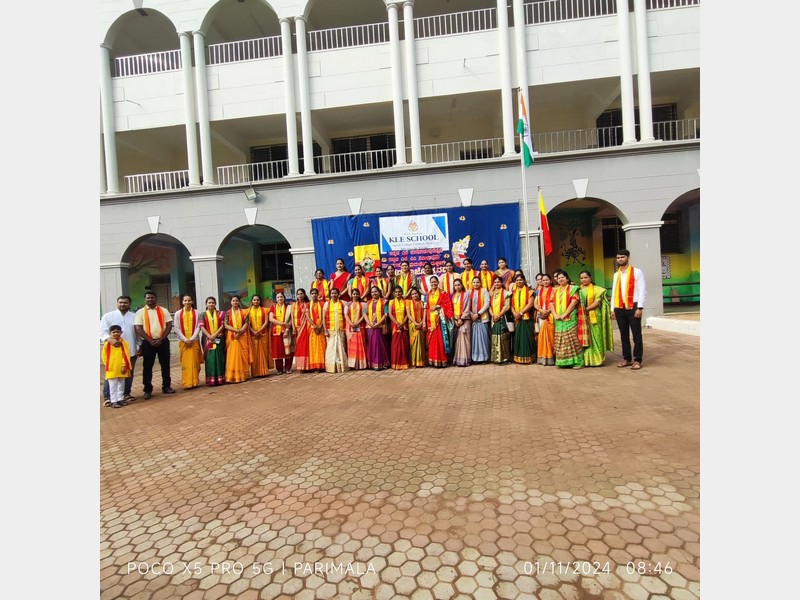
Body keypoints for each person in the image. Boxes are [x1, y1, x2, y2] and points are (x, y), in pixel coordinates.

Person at [134, 290, 175, 400]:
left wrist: (162, 339)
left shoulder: (164, 310)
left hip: (163, 341)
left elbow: (169, 325)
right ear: (145, 299)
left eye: (152, 297)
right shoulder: (140, 312)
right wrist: (150, 340)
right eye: (148, 298)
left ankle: (166, 386)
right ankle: (147, 390)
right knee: (147, 366)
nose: (150, 299)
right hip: (148, 343)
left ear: (156, 298)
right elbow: (138, 328)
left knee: (165, 365)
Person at [99, 295, 139, 405]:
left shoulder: (134, 316)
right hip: (113, 352)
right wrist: (109, 340)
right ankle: (108, 397)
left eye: (125, 302)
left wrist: (140, 346)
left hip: (129, 350)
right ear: (117, 303)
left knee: (128, 373)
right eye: (120, 302)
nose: (123, 304)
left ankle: (125, 394)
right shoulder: (108, 316)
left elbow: (138, 332)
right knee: (112, 375)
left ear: (129, 304)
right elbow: (102, 331)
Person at [611, 248, 647, 370]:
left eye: (622, 257)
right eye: (618, 257)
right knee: (623, 335)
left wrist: (640, 307)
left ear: (628, 257)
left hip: (633, 306)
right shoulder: (616, 274)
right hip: (619, 307)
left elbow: (642, 290)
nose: (620, 259)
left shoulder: (637, 272)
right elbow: (615, 292)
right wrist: (612, 309)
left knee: (636, 334)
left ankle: (637, 359)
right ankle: (626, 358)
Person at [552, 270, 587, 369]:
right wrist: (555, 314)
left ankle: (578, 362)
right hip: (558, 319)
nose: (560, 279)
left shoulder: (573, 289)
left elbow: (574, 302)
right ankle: (563, 362)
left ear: (567, 278)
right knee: (561, 340)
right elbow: (551, 303)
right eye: (558, 278)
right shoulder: (555, 290)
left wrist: (565, 314)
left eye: (563, 277)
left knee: (572, 339)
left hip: (570, 317)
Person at [579, 270, 614, 367]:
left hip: (594, 315)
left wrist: (586, 309)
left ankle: (597, 359)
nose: (584, 279)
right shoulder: (578, 290)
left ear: (590, 278)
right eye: (581, 278)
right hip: (582, 317)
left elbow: (597, 302)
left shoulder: (597, 289)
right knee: (585, 337)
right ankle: (586, 359)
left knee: (596, 336)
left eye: (585, 277)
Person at [173, 294, 203, 389]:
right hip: (184, 342)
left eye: (189, 300)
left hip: (194, 341)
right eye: (185, 300)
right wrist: (186, 339)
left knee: (195, 363)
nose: (187, 302)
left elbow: (199, 327)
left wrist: (192, 338)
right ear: (182, 302)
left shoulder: (197, 313)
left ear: (192, 301)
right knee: (185, 363)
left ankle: (195, 382)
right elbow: (177, 328)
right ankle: (187, 382)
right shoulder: (178, 314)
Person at [425, 276, 454, 368]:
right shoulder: (428, 294)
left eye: (435, 282)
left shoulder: (443, 293)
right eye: (432, 282)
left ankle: (441, 360)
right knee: (432, 340)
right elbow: (427, 307)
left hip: (440, 320)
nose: (433, 284)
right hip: (431, 320)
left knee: (440, 340)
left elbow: (448, 305)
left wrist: (438, 306)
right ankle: (433, 360)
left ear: (438, 282)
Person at [102, 325, 132, 408]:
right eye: (113, 332)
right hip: (111, 368)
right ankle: (114, 401)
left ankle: (120, 399)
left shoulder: (125, 343)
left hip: (122, 367)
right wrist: (107, 364)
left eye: (118, 332)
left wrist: (124, 365)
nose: (116, 334)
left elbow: (126, 354)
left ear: (121, 332)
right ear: (110, 333)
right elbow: (104, 356)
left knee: (121, 384)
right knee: (112, 385)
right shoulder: (107, 344)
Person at [199, 296, 226, 386]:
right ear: (206, 304)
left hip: (219, 338)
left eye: (213, 303)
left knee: (219, 358)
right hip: (207, 339)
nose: (211, 304)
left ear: (215, 304)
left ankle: (220, 379)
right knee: (210, 359)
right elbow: (202, 327)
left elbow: (223, 325)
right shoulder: (202, 314)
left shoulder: (221, 314)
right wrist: (210, 336)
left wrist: (215, 335)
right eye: (209, 303)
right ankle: (211, 380)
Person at [224, 295, 251, 382]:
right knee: (232, 356)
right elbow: (226, 325)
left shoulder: (244, 312)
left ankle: (243, 375)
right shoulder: (227, 313)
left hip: (242, 336)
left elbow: (247, 322)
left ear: (239, 302)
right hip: (232, 336)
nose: (235, 302)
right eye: (233, 301)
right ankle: (233, 376)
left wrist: (240, 332)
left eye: (236, 301)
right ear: (231, 302)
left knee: (243, 354)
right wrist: (236, 331)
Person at [510, 273, 535, 364]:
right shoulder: (513, 291)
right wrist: (515, 314)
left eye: (521, 280)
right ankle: (518, 358)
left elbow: (531, 304)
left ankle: (528, 357)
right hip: (517, 317)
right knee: (518, 338)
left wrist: (520, 313)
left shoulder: (529, 290)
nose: (519, 282)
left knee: (526, 337)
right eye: (517, 280)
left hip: (526, 317)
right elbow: (511, 305)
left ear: (524, 281)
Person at [323, 287, 349, 373]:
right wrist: (325, 330)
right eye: (332, 293)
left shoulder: (344, 303)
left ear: (338, 294)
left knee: (341, 347)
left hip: (341, 329)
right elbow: (323, 318)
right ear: (330, 295)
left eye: (335, 293)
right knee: (331, 348)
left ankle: (342, 366)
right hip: (331, 329)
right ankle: (331, 367)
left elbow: (346, 316)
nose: (334, 295)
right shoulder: (326, 304)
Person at [365, 286, 390, 370]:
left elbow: (386, 314)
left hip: (380, 327)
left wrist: (378, 323)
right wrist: (370, 323)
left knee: (380, 345)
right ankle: (373, 364)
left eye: (376, 291)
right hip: (370, 327)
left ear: (379, 292)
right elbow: (364, 314)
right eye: (372, 292)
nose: (374, 293)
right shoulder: (368, 303)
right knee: (372, 345)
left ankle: (381, 363)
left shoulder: (384, 302)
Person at [489, 278, 512, 364]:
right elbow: (489, 307)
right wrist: (493, 315)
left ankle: (505, 358)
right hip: (494, 319)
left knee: (504, 338)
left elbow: (507, 306)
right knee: (495, 337)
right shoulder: (491, 294)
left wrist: (498, 315)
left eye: (498, 282)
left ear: (501, 282)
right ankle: (496, 358)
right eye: (495, 282)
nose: (496, 283)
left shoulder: (506, 293)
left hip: (503, 319)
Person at [344, 287, 368, 370]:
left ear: (359, 295)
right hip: (350, 327)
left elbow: (364, 315)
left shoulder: (364, 304)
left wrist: (358, 322)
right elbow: (345, 314)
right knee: (351, 345)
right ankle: (352, 364)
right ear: (351, 295)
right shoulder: (347, 304)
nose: (355, 295)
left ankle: (361, 364)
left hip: (360, 327)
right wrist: (351, 323)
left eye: (357, 294)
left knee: (360, 344)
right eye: (354, 294)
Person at [269, 291, 293, 374]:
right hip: (276, 331)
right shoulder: (273, 307)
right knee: (278, 350)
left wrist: (286, 329)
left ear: (284, 298)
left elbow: (290, 320)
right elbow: (271, 319)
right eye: (278, 297)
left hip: (286, 331)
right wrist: (282, 324)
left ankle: (288, 368)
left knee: (288, 349)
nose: (280, 298)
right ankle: (279, 369)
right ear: (276, 299)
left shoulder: (289, 307)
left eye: (281, 297)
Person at [534, 274, 556, 366]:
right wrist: (541, 310)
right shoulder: (539, 291)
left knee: (552, 337)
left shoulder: (555, 290)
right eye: (544, 280)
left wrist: (548, 311)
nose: (545, 282)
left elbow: (557, 302)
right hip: (541, 316)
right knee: (542, 337)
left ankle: (552, 357)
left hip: (552, 316)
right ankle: (543, 358)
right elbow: (535, 303)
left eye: (547, 280)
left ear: (550, 281)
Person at [451, 278, 472, 367]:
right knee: (457, 340)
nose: (457, 287)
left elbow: (467, 307)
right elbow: (450, 308)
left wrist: (462, 319)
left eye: (459, 285)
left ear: (462, 285)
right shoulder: (452, 296)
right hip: (455, 320)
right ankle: (458, 359)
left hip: (465, 320)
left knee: (465, 339)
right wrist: (455, 319)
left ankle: (466, 360)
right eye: (455, 285)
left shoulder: (466, 294)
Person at [388, 285, 411, 370]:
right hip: (395, 325)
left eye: (399, 292)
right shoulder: (391, 302)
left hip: (404, 325)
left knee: (404, 345)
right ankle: (395, 363)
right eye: (396, 292)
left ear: (402, 293)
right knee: (395, 345)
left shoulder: (406, 301)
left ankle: (404, 363)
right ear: (393, 293)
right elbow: (390, 314)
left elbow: (407, 314)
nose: (398, 293)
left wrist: (402, 323)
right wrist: (397, 323)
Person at [248, 294, 271, 377]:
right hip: (253, 335)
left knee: (263, 352)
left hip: (263, 334)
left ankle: (264, 371)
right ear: (252, 301)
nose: (256, 301)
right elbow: (248, 324)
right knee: (254, 354)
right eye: (254, 300)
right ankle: (255, 372)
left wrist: (259, 331)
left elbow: (266, 322)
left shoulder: (265, 310)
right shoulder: (248, 311)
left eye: (257, 300)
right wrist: (254, 332)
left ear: (260, 301)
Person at [469, 276, 491, 364]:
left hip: (483, 318)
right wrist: (472, 315)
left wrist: (478, 314)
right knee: (475, 339)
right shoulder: (469, 292)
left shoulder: (484, 291)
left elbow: (487, 303)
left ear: (480, 283)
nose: (476, 284)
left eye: (477, 282)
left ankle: (484, 358)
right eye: (474, 282)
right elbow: (466, 305)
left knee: (483, 338)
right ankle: (475, 358)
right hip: (473, 319)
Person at [306, 287, 327, 372]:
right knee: (313, 346)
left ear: (318, 295)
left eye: (315, 293)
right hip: (312, 328)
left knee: (322, 346)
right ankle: (315, 366)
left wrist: (320, 326)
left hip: (321, 327)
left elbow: (324, 316)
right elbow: (307, 316)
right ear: (310, 295)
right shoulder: (307, 304)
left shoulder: (322, 304)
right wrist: (314, 326)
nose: (314, 295)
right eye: (312, 293)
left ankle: (322, 365)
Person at [291, 289, 312, 372]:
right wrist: (293, 328)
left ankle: (307, 365)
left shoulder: (308, 304)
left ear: (304, 294)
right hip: (297, 328)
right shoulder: (293, 305)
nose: (300, 295)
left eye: (301, 293)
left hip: (306, 328)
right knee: (299, 347)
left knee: (306, 347)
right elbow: (292, 318)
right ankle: (300, 366)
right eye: (298, 294)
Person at [407, 287, 427, 368]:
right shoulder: (408, 303)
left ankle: (421, 361)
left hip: (421, 325)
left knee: (421, 343)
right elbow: (408, 314)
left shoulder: (422, 302)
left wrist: (422, 322)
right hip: (412, 325)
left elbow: (425, 312)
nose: (414, 295)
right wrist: (415, 323)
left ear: (418, 294)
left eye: (416, 293)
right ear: (411, 295)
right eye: (412, 294)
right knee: (414, 344)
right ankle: (414, 361)